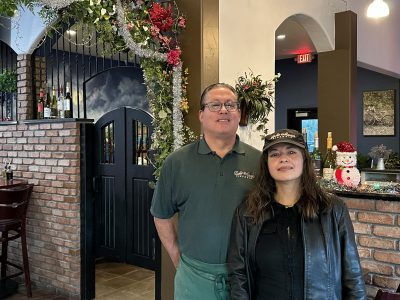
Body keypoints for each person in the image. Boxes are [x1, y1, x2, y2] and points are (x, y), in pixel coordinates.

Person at [150, 83, 261, 299]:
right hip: (193, 279)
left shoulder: (259, 162)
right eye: (215, 105)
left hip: (246, 278)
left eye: (230, 105)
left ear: (239, 114)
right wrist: (178, 259)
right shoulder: (177, 162)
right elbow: (161, 215)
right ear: (201, 115)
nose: (223, 110)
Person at [228, 128, 367, 300]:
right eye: (274, 154)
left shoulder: (332, 209)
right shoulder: (248, 212)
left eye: (291, 152)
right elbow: (238, 275)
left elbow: (352, 276)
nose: (283, 158)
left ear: (304, 160)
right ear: (266, 163)